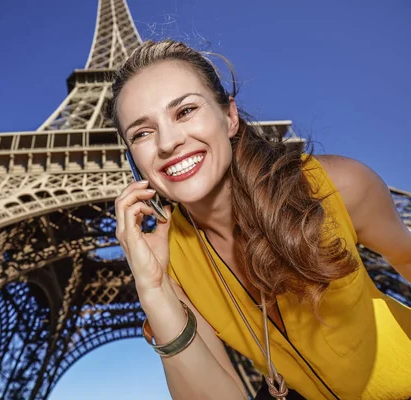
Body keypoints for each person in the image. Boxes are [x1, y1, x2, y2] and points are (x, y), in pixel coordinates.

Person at [110, 39, 411, 400]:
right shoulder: (172, 261)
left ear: (229, 117)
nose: (168, 142)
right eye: (141, 133)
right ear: (133, 159)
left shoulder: (336, 187)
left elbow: (406, 256)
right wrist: (154, 291)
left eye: (185, 111)